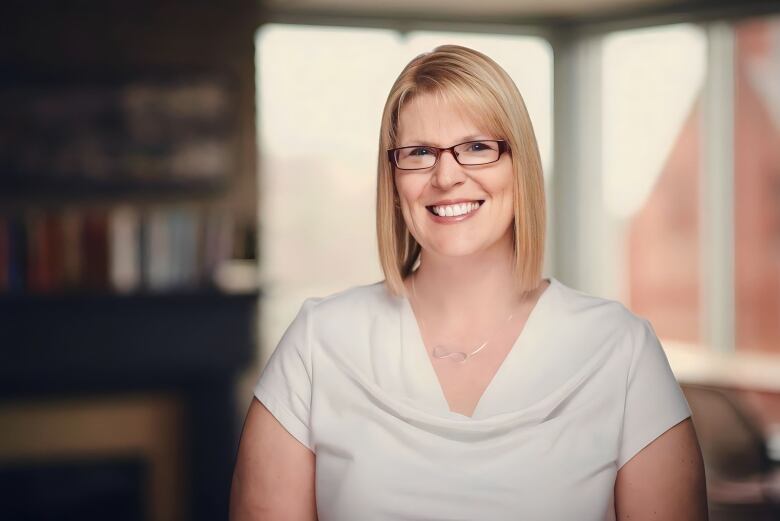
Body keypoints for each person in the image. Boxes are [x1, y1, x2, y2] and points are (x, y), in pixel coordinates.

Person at [230, 44, 708, 520]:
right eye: (419, 153)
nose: (446, 176)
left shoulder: (620, 350)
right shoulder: (318, 343)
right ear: (394, 180)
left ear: (519, 166)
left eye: (477, 147)